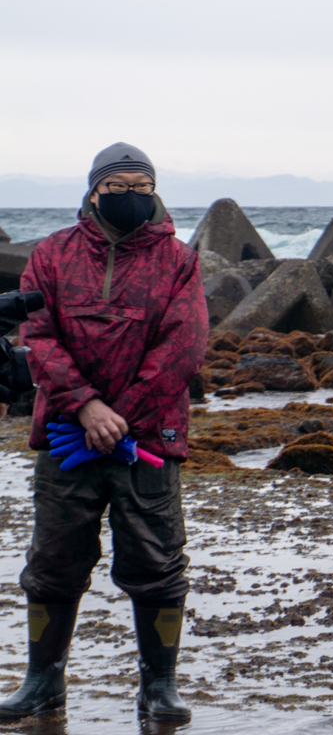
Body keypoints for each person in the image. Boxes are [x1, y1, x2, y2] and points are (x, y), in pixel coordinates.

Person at [4, 143, 207, 722]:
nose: (130, 198)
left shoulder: (180, 261)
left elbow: (184, 346)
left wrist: (123, 416)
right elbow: (37, 338)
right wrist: (88, 407)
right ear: (93, 191)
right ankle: (42, 682)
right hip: (68, 438)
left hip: (148, 440)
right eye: (118, 188)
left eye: (141, 188)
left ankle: (159, 686)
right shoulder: (51, 254)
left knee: (158, 563)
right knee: (52, 563)